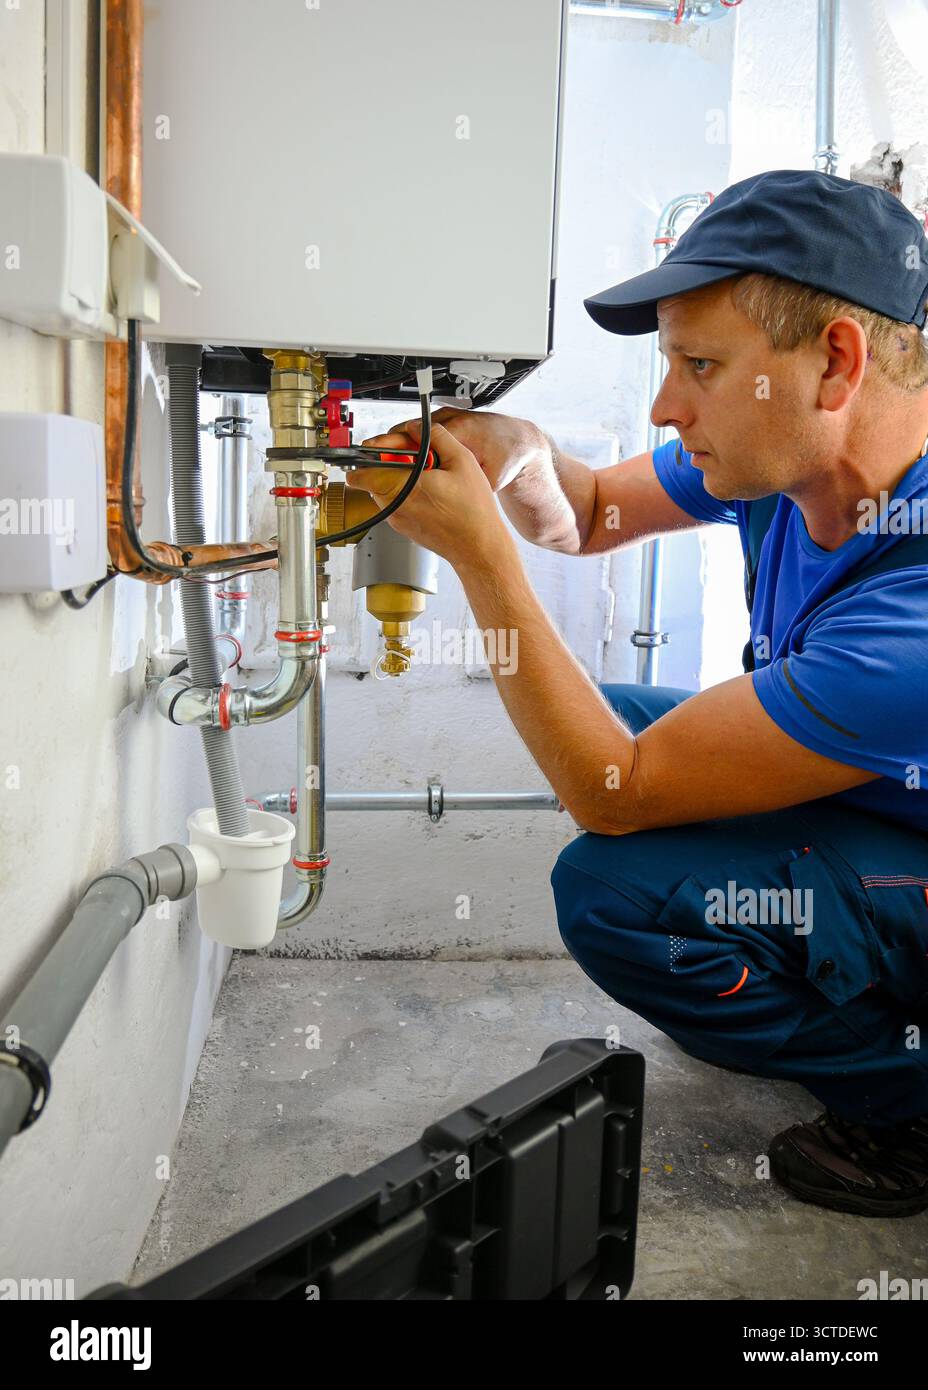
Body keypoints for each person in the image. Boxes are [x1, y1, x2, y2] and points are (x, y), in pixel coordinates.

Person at [345, 169, 928, 1217]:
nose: (665, 405)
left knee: (616, 891)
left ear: (836, 363)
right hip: (889, 802)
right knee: (617, 714)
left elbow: (612, 791)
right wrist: (523, 457)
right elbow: (593, 513)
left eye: (699, 365)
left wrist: (481, 560)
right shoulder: (800, 452)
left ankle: (907, 1100)